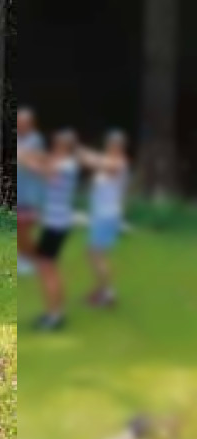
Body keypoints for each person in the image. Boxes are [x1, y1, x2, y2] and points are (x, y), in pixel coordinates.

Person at [17, 130, 80, 330]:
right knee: (48, 268)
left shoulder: (63, 166)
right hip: (57, 222)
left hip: (56, 224)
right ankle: (55, 312)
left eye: (57, 146)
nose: (53, 149)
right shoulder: (66, 163)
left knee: (47, 270)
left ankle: (54, 316)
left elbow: (37, 166)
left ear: (63, 148)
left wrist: (24, 155)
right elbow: (42, 160)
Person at [78, 131, 129, 308]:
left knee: (95, 254)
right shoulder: (109, 161)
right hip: (102, 214)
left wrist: (82, 152)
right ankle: (101, 290)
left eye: (113, 144)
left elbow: (97, 162)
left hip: (107, 215)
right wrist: (81, 152)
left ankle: (108, 293)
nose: (109, 147)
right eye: (109, 144)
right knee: (95, 253)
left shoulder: (118, 163)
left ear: (118, 147)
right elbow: (92, 161)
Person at [15, 107, 44, 276]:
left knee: (24, 226)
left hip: (30, 193)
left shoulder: (35, 140)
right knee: (22, 227)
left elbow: (35, 164)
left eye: (23, 123)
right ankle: (27, 258)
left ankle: (33, 259)